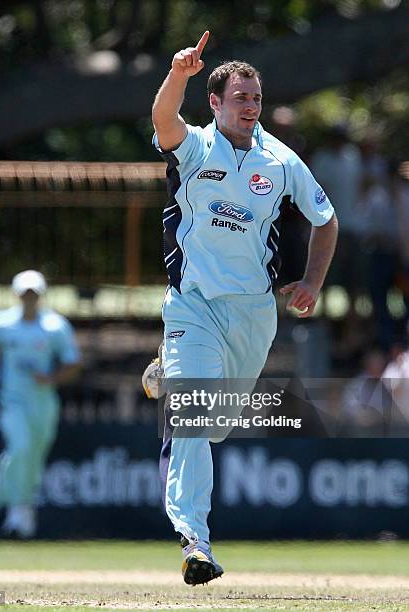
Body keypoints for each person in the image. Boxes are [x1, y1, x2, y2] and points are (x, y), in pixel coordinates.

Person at [149, 31, 338, 585]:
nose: (251, 107)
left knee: (217, 426)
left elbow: (327, 222)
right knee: (192, 419)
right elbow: (163, 121)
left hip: (254, 313)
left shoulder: (280, 160)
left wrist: (312, 281)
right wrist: (177, 75)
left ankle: (169, 373)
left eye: (256, 98)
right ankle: (195, 542)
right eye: (241, 98)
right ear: (215, 102)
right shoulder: (195, 147)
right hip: (193, 307)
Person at [0, 270, 81, 538]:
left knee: (34, 455)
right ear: (17, 295)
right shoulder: (1, 323)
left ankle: (24, 506)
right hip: (12, 401)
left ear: (40, 296)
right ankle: (14, 507)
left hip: (43, 404)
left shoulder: (55, 326)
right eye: (24, 294)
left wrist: (51, 377)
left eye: (33, 294)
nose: (29, 299)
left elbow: (72, 364)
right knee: (20, 447)